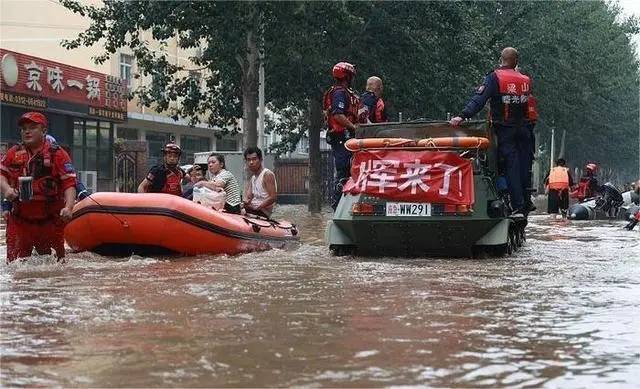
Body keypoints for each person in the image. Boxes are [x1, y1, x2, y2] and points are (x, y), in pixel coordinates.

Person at [450, 47, 533, 217]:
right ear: (516, 62)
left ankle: (517, 205)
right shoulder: (525, 80)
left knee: (510, 165)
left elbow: (479, 100)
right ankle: (527, 201)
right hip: (524, 129)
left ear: (501, 59)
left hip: (504, 129)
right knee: (524, 165)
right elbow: (529, 107)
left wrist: (462, 116)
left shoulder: (495, 77)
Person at [0, 111, 77, 262]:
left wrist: (68, 207)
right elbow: (1, 174)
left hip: (50, 221)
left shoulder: (58, 155)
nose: (27, 131)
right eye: (23, 128)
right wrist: (7, 189)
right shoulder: (13, 153)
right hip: (20, 221)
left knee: (56, 265)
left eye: (32, 127)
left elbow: (69, 184)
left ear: (44, 131)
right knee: (15, 266)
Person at [323, 61, 360, 210]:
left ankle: (344, 203)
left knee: (349, 169)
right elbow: (338, 115)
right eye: (351, 76)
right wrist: (353, 127)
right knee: (343, 170)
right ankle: (337, 205)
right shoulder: (339, 93)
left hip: (347, 138)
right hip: (341, 138)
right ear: (347, 76)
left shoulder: (346, 93)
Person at [242, 147, 277, 218]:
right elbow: (248, 198)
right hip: (252, 208)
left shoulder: (267, 174)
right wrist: (244, 202)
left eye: (254, 159)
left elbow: (273, 197)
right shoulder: (253, 178)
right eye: (248, 160)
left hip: (262, 211)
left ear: (260, 160)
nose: (251, 162)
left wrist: (257, 207)